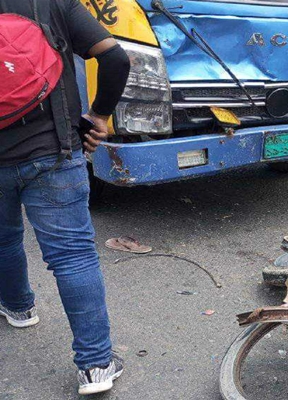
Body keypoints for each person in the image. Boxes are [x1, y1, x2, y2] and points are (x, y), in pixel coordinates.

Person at [0, 0, 130, 395]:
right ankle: (95, 365)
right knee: (72, 257)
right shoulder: (51, 1)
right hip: (54, 151)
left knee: (4, 239)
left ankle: (20, 308)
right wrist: (100, 116)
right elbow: (116, 59)